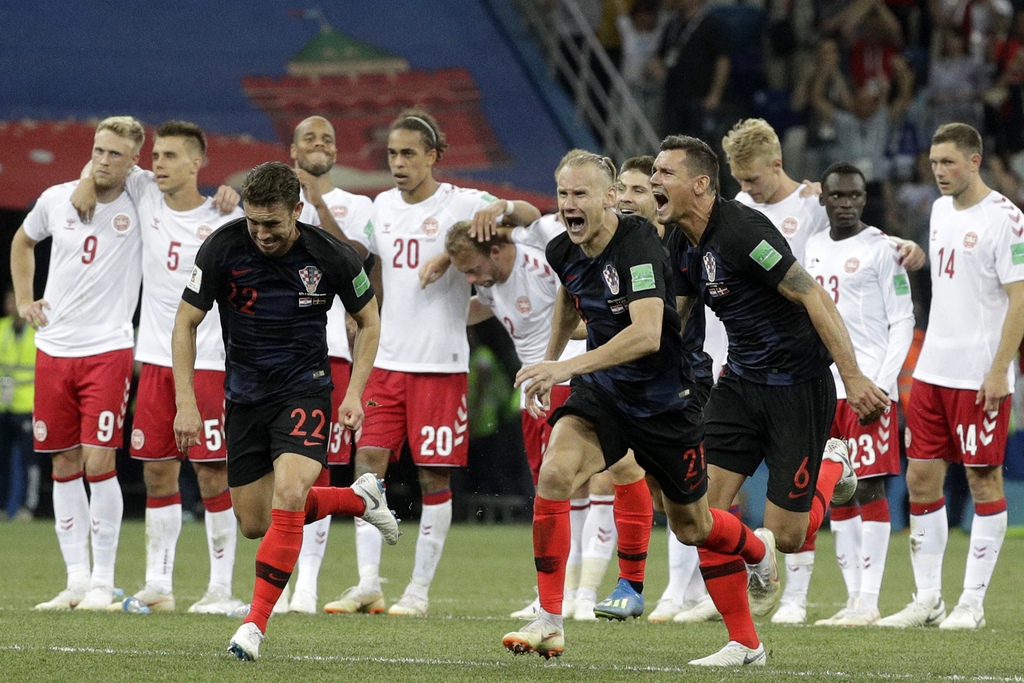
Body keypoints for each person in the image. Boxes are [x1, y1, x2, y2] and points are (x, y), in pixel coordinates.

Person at [501, 151, 774, 664]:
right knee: (556, 473)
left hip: (668, 399)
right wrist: (549, 360)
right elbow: (569, 295)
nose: (568, 205)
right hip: (606, 393)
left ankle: (756, 558)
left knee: (694, 525)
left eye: (580, 194)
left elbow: (648, 335)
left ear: (609, 199)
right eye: (563, 194)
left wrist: (564, 369)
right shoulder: (564, 248)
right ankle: (551, 620)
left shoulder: (641, 246)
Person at [656, 135, 889, 665]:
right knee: (699, 517)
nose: (654, 183)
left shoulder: (743, 231)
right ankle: (745, 643)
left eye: (666, 174)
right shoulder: (680, 241)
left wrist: (852, 378)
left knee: (788, 536)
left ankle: (833, 462)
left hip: (798, 388)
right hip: (738, 384)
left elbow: (811, 294)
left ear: (699, 183)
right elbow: (680, 318)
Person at [172, 161, 398, 660]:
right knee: (255, 523)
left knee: (292, 493)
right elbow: (185, 322)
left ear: (297, 211)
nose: (261, 234)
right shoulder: (223, 247)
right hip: (244, 397)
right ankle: (359, 501)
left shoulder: (331, 254)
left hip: (305, 388)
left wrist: (355, 393)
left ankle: (253, 625)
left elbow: (370, 319)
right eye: (254, 222)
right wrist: (185, 401)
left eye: (272, 224)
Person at [329, 109, 540, 617]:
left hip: (442, 366)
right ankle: (367, 584)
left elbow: (531, 216)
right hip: (384, 363)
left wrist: (503, 209)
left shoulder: (464, 203)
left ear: (433, 157)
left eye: (408, 154)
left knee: (434, 479)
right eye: (392, 155)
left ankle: (418, 592)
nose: (398, 164)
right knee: (367, 467)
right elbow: (356, 257)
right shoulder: (379, 205)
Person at [720, 117, 924, 623]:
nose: (747, 191)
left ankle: (867, 599)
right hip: (790, 376)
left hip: (851, 374)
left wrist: (906, 246)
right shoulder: (740, 213)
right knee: (799, 487)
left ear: (778, 164)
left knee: (865, 486)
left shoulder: (814, 206)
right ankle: (799, 597)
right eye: (740, 182)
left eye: (754, 179)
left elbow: (856, 230)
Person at [70, 120, 246, 614]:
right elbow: (108, 160)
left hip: (209, 362)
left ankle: (220, 590)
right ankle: (159, 586)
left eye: (169, 157)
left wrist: (230, 196)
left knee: (213, 474)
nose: (157, 165)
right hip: (153, 361)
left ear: (197, 163)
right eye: (157, 156)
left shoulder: (225, 221)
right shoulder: (146, 194)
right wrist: (86, 180)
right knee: (157, 474)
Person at [442, 210, 650, 623]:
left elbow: (532, 215)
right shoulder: (488, 285)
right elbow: (481, 306)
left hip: (571, 378)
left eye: (472, 268)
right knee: (557, 491)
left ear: (497, 249)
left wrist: (501, 205)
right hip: (536, 389)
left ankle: (587, 591)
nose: (470, 277)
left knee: (605, 478)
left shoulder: (537, 257)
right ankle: (564, 593)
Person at [876, 123, 1024, 630]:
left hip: (980, 373)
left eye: (949, 163)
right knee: (920, 478)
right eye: (934, 163)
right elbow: (952, 275)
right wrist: (918, 256)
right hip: (933, 371)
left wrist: (1000, 370)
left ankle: (972, 604)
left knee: (984, 480)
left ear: (975, 160)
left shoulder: (1006, 219)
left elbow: (1020, 299)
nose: (938, 172)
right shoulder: (939, 211)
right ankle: (929, 599)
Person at [12, 116, 145, 611]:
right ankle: (74, 581)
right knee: (63, 462)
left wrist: (221, 198)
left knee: (99, 461)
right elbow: (22, 242)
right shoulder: (56, 198)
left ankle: (102, 583)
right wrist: (26, 299)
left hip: (107, 349)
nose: (104, 160)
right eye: (98, 151)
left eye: (115, 153)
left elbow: (184, 194)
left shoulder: (142, 197)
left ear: (134, 159)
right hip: (54, 349)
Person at [804, 163, 914, 626]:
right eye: (838, 195)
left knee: (868, 486)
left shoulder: (883, 249)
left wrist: (882, 384)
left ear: (864, 198)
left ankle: (869, 600)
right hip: (822, 388)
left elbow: (903, 320)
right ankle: (853, 601)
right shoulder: (811, 247)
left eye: (855, 195)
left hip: (867, 388)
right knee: (838, 491)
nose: (847, 203)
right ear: (824, 199)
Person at [274, 115, 375, 615]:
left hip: (329, 352)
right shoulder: (271, 202)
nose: (319, 144)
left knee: (318, 473)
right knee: (270, 481)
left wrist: (315, 204)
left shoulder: (357, 205)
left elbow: (353, 259)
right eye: (309, 137)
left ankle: (307, 586)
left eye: (328, 138)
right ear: (292, 149)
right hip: (271, 358)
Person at [614, 155, 720, 625]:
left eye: (640, 190)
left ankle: (684, 589)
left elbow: (660, 323)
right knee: (661, 494)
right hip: (637, 382)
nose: (629, 199)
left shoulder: (676, 244)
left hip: (681, 380)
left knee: (689, 496)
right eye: (623, 190)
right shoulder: (611, 247)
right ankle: (685, 585)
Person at [0, 289, 36, 521]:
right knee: (2, 461)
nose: (13, 305)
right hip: (3, 405)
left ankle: (27, 507)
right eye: (10, 300)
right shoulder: (1, 328)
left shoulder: (37, 330)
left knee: (29, 463)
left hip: (29, 405)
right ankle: (2, 508)